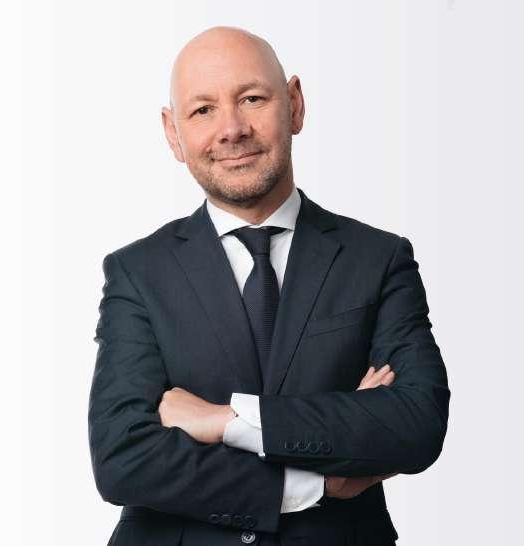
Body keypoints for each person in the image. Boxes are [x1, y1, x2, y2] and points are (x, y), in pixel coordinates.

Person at [88, 25, 449, 546]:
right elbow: (123, 459)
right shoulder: (137, 272)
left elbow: (415, 424)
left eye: (252, 99)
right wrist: (312, 484)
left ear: (295, 104)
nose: (231, 129)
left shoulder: (379, 258)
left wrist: (227, 421)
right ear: (173, 133)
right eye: (203, 110)